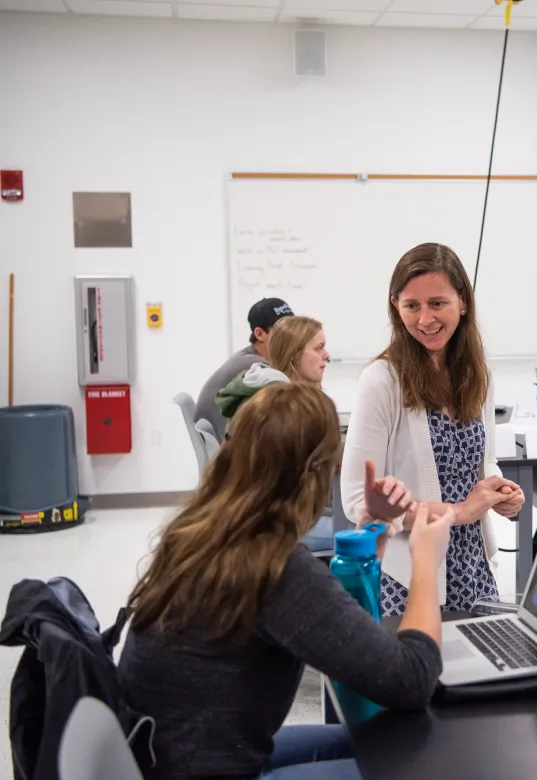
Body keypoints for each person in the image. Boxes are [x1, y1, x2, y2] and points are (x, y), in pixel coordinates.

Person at [119, 382, 455, 780]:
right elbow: (412, 680)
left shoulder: (201, 531)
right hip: (210, 770)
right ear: (312, 476)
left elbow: (339, 627)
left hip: (176, 760)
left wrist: (376, 530)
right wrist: (424, 561)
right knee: (418, 765)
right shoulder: (270, 565)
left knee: (378, 741)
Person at [341, 242, 524, 617]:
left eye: (437, 303)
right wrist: (458, 512)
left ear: (463, 302)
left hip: (473, 568)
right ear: (396, 307)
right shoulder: (382, 381)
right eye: (412, 306)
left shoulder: (478, 375)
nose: (425, 319)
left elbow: (484, 461)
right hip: (408, 577)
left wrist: (499, 489)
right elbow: (358, 502)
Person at [196, 297, 294, 440]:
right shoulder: (256, 367)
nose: (292, 336)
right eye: (282, 330)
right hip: (229, 448)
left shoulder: (247, 358)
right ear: (259, 334)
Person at [216, 315, 329, 433]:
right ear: (294, 353)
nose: (326, 355)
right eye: (319, 348)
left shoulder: (274, 392)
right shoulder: (276, 405)